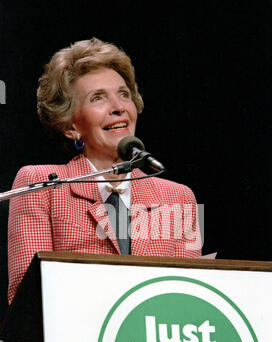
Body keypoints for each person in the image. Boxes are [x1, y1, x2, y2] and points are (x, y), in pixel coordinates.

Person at [7, 38, 202, 305]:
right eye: (97, 98)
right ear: (71, 125)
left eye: (123, 94)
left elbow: (190, 298)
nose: (118, 106)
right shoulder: (42, 186)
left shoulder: (178, 197)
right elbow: (26, 297)